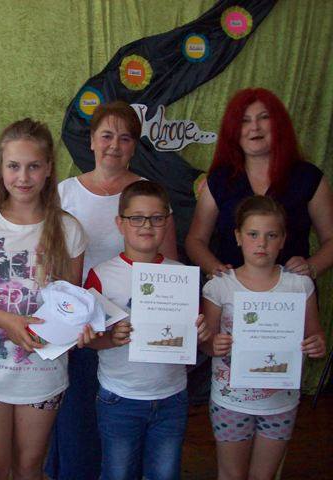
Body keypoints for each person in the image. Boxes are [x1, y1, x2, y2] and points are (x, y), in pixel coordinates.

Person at [47, 100, 178, 479]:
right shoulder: (64, 194)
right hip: (82, 331)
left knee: (126, 433)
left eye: (125, 138)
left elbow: (169, 267)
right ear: (91, 140)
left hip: (134, 332)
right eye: (106, 135)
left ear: (134, 146)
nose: (114, 145)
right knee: (78, 422)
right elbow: (49, 263)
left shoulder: (149, 195)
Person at [0, 118, 89, 479]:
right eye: (13, 166)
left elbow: (70, 306)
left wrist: (81, 327)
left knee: (29, 468)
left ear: (49, 169)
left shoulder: (69, 229)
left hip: (43, 375)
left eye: (33, 166)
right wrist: (8, 321)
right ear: (1, 169)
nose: (23, 177)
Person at [85, 180, 208, 480]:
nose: (147, 226)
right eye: (137, 218)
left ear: (167, 222)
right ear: (120, 223)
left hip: (172, 397)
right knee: (117, 473)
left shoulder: (182, 276)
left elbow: (192, 340)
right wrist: (110, 338)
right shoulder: (101, 275)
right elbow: (89, 340)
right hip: (120, 397)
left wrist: (200, 335)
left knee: (164, 474)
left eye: (156, 218)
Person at [200, 195, 325, 479]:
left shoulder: (299, 285)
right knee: (231, 475)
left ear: (283, 240)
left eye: (271, 235)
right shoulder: (220, 286)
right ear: (238, 237)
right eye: (253, 234)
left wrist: (316, 344)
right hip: (231, 400)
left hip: (281, 401)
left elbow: (315, 333)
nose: (262, 243)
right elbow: (206, 342)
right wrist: (213, 344)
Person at [186, 88, 333, 279]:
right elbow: (195, 240)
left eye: (263, 118)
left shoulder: (309, 178)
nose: (254, 127)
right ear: (233, 131)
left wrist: (312, 267)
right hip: (231, 292)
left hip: (291, 292)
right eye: (244, 120)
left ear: (278, 124)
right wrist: (214, 268)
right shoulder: (219, 180)